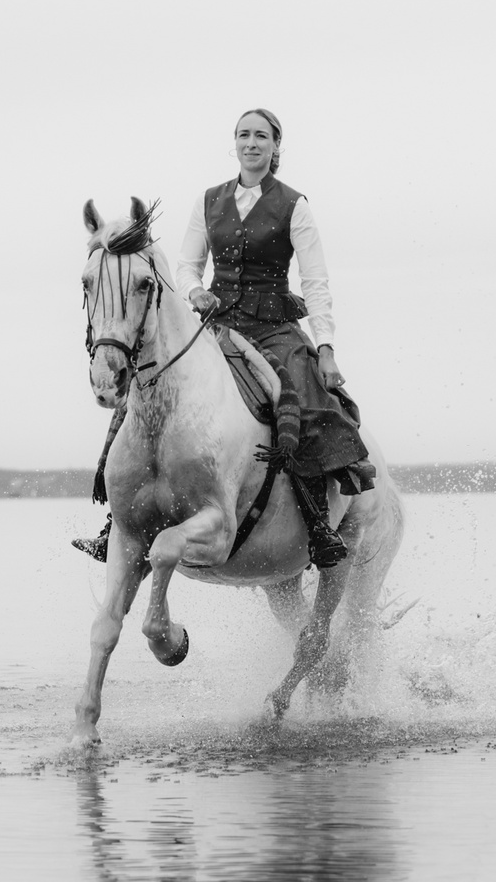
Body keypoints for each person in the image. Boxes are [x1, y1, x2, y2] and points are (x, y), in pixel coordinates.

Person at [74, 108, 374, 568]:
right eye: (243, 135)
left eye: (261, 137)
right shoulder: (209, 200)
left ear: (276, 147)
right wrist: (194, 289)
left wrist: (326, 347)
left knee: (303, 401)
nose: (251, 143)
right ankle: (117, 522)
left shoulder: (296, 205)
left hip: (273, 328)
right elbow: (188, 265)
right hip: (216, 324)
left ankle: (317, 526)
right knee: (144, 392)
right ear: (234, 143)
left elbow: (315, 281)